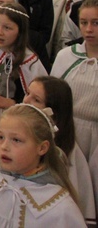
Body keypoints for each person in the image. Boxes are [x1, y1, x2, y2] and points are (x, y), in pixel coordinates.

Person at [24, 76, 96, 225]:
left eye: (36, 100)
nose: (26, 101)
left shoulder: (65, 153)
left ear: (54, 113)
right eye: (27, 93)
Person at [0, 3, 47, 123]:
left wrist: (12, 103)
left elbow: (41, 99)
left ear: (20, 30)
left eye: (7, 28)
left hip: (15, 119)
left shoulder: (29, 61)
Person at [52, 0, 98, 161]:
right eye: (84, 23)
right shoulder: (67, 56)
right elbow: (52, 96)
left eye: (95, 23)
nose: (88, 29)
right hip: (68, 130)